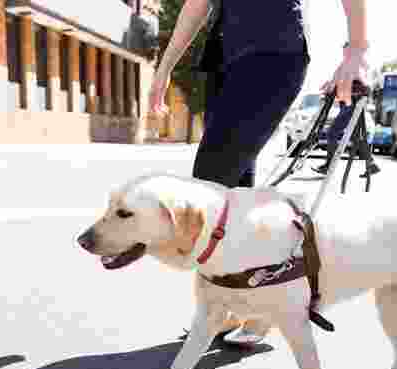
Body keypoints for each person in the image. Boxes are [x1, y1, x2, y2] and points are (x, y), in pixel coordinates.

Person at [148, 0, 369, 344]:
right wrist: (164, 69)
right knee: (232, 196)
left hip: (273, 55)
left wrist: (355, 50)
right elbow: (197, 3)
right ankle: (244, 307)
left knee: (210, 185)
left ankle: (261, 304)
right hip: (225, 61)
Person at [312, 43, 380, 178]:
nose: (344, 53)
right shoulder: (348, 63)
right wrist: (329, 86)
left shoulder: (354, 64)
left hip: (351, 104)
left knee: (333, 132)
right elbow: (335, 80)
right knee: (356, 136)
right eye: (344, 51)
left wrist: (363, 88)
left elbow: (361, 81)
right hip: (348, 103)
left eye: (346, 51)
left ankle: (329, 166)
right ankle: (371, 164)